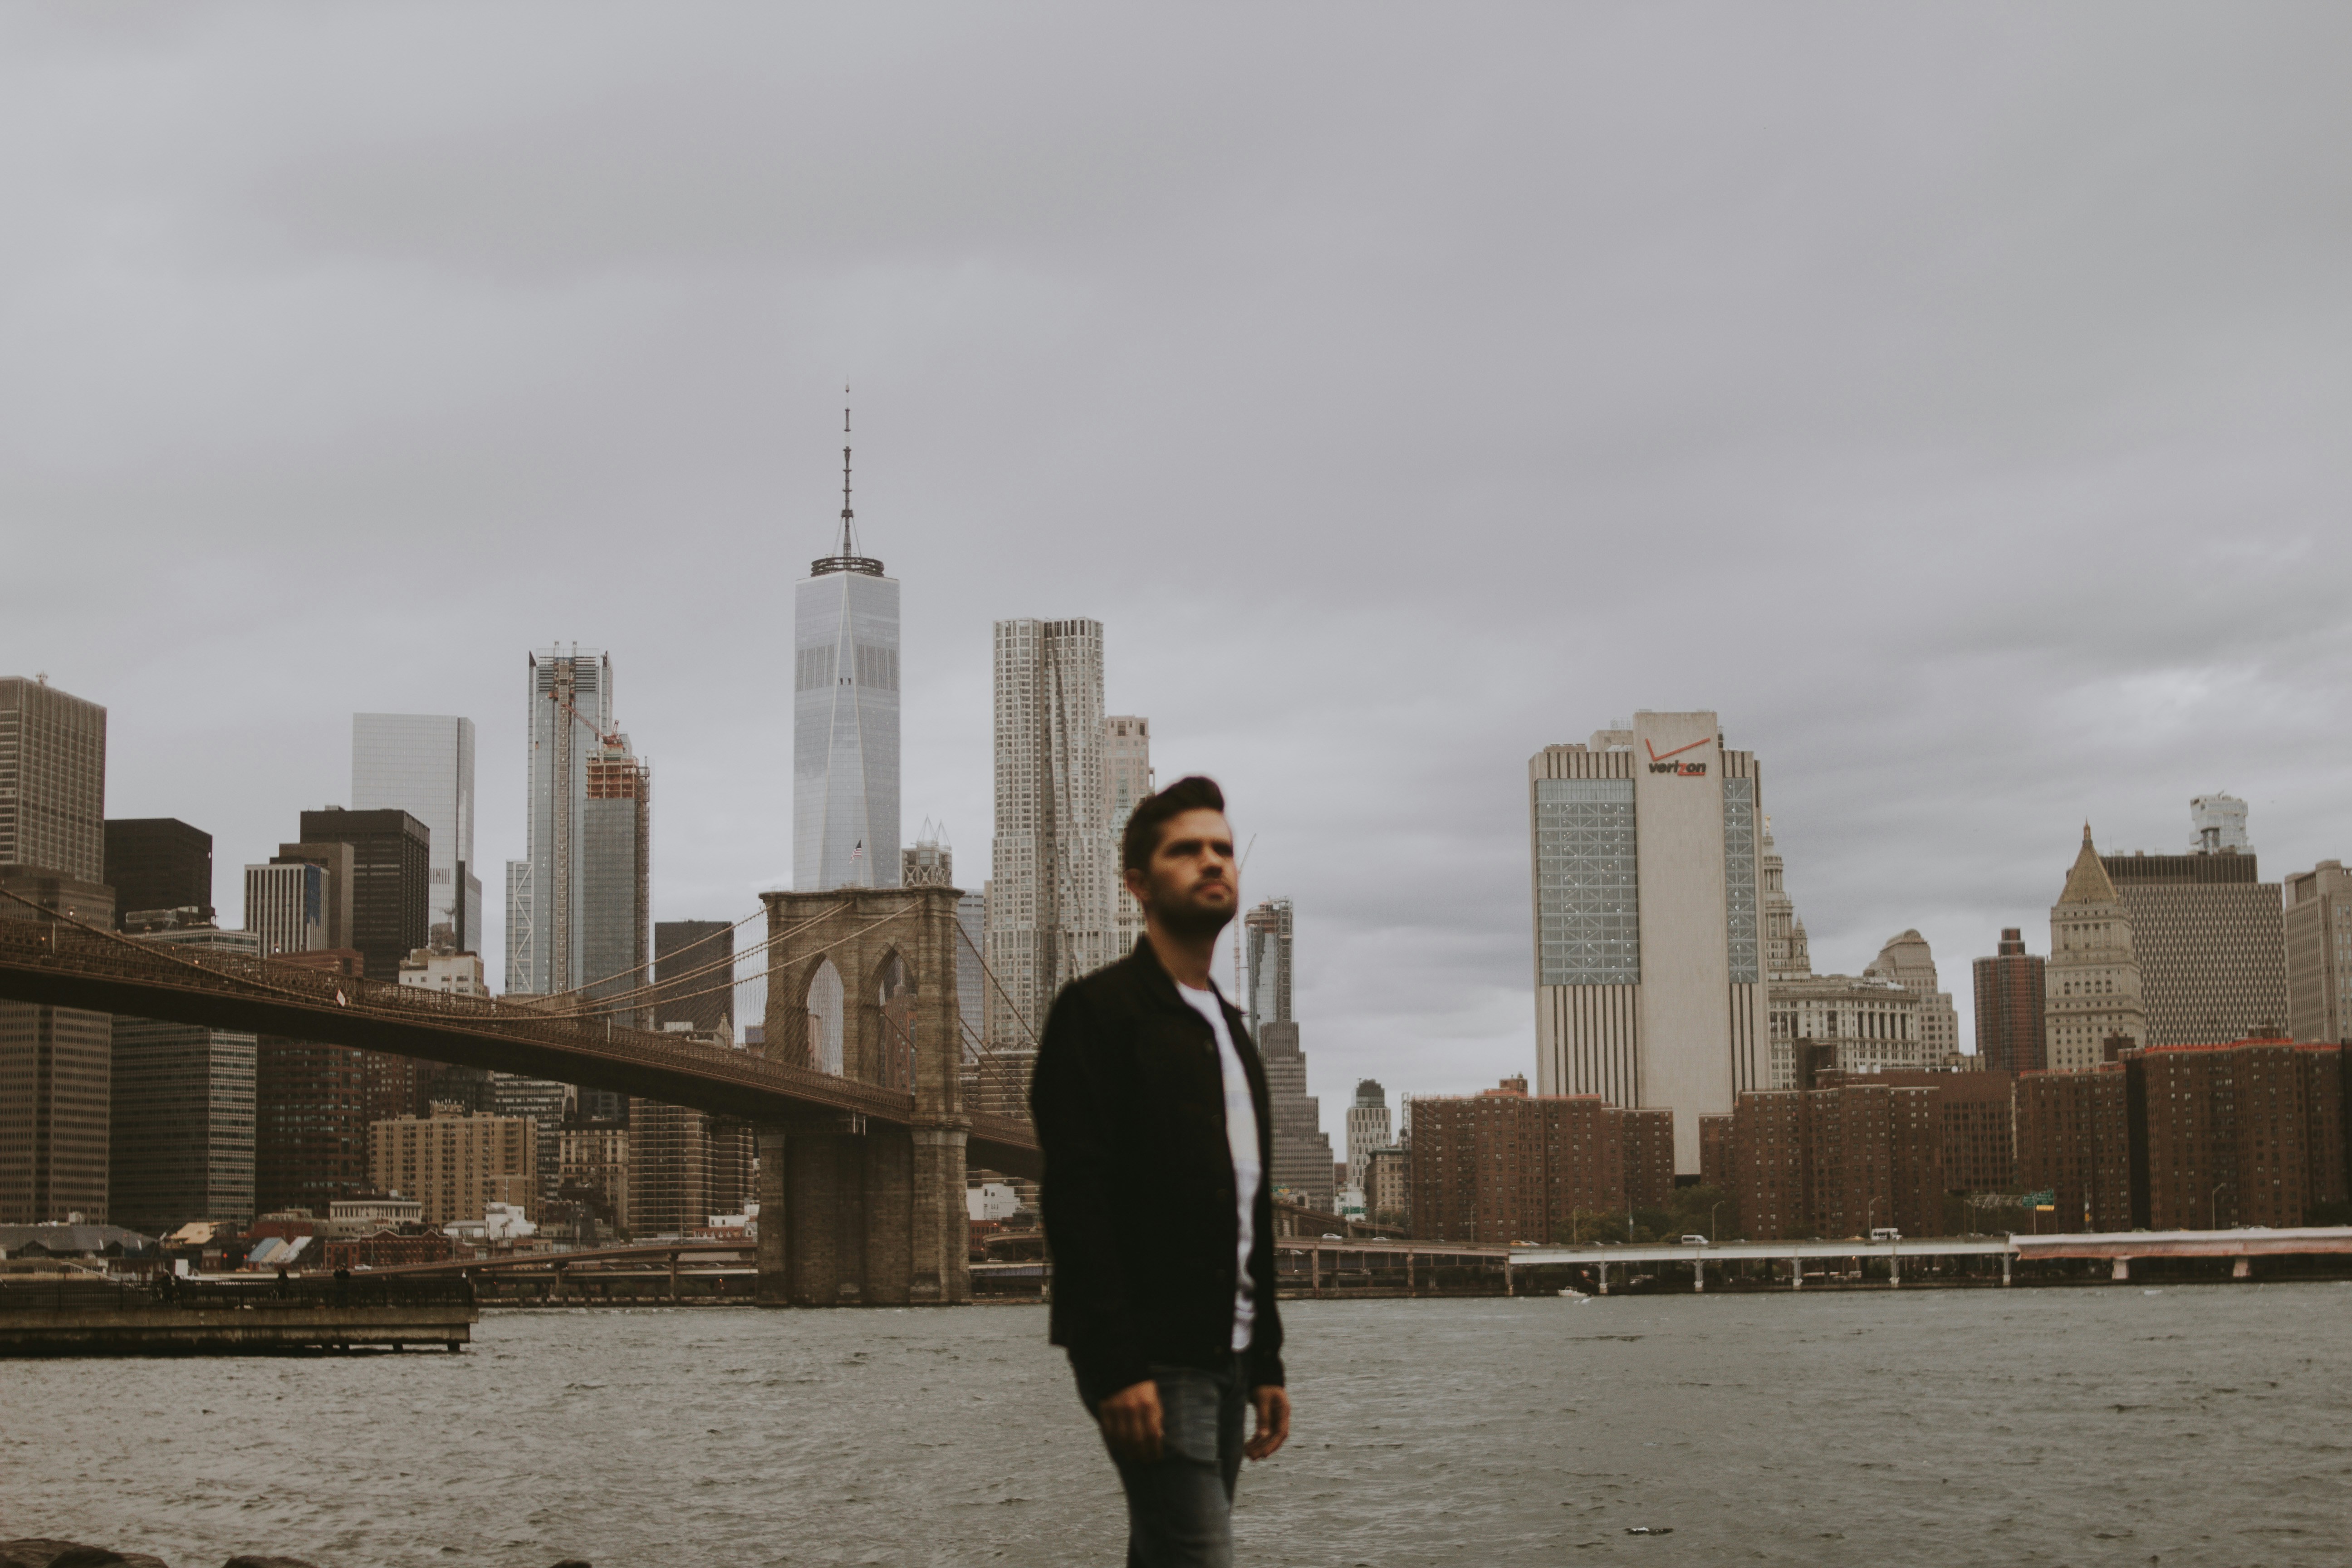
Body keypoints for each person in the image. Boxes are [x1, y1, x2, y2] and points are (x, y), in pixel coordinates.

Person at [1029, 775, 1291, 1568]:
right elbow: (1077, 1202)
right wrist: (1114, 1368)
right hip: (1155, 1358)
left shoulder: (1237, 1034)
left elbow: (1248, 1212)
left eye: (1221, 848)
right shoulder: (1097, 1014)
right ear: (1138, 884)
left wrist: (1268, 1361)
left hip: (1230, 1358)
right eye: (1187, 851)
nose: (1213, 862)